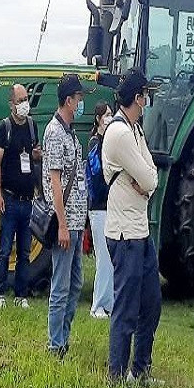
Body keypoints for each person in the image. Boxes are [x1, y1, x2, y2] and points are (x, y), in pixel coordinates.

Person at [102, 69, 160, 385]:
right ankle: (116, 376)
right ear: (137, 97)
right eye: (145, 95)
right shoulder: (120, 133)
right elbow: (150, 177)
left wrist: (146, 183)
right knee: (125, 310)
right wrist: (146, 182)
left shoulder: (135, 129)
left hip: (140, 231)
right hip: (125, 233)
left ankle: (140, 371)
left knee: (151, 305)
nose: (147, 101)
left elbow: (151, 176)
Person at [44, 74, 87, 357]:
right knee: (60, 286)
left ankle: (64, 337)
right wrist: (61, 223)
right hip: (65, 222)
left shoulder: (70, 132)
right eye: (79, 98)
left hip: (76, 220)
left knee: (75, 283)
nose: (81, 103)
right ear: (68, 100)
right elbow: (56, 181)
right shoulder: (55, 132)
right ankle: (55, 344)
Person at [0, 84, 41, 309]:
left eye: (26, 99)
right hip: (9, 200)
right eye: (20, 100)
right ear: (11, 103)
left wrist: (37, 155)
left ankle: (21, 294)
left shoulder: (32, 126)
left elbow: (33, 155)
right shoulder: (4, 128)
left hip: (28, 200)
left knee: (25, 251)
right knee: (4, 249)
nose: (24, 104)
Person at [85, 102, 114, 318]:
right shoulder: (95, 142)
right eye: (106, 115)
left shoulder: (109, 141)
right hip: (98, 208)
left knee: (110, 258)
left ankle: (109, 303)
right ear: (98, 119)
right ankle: (98, 305)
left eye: (111, 114)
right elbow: (97, 174)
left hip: (109, 206)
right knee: (103, 258)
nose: (109, 118)